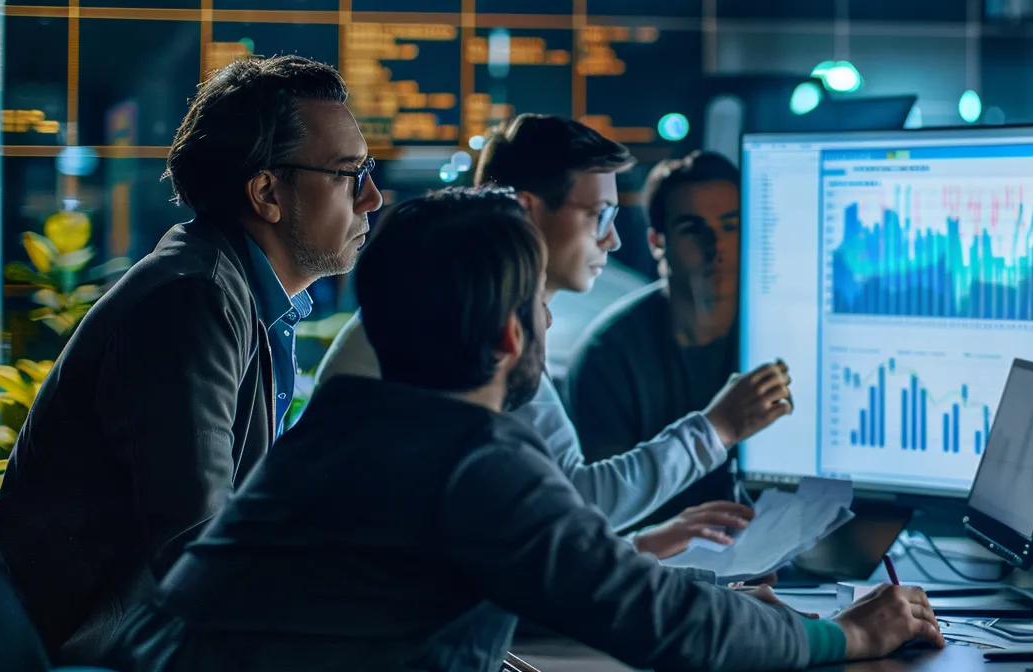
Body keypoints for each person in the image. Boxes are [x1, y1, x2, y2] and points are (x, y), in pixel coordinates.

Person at [119, 187, 943, 671]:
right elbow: (669, 631)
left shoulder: (342, 426)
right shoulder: (472, 463)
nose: (550, 320)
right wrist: (844, 635)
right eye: (542, 306)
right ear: (514, 336)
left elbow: (567, 583)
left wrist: (714, 594)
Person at [0, 55, 381, 663]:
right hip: (91, 652)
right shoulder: (193, 300)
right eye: (350, 173)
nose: (372, 197)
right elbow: (199, 543)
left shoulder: (235, 293)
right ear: (267, 192)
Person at [314, 115, 789, 555]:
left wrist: (637, 550)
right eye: (600, 214)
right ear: (525, 209)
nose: (613, 239)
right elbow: (570, 501)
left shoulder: (455, 302)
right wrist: (717, 428)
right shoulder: (467, 319)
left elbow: (524, 530)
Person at [564, 151, 745, 529]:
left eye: (730, 226)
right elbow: (604, 507)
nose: (716, 246)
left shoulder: (783, 335)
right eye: (693, 228)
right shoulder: (609, 354)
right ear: (656, 242)